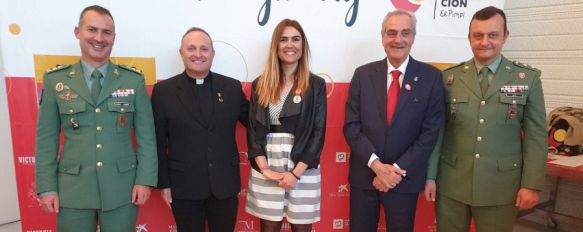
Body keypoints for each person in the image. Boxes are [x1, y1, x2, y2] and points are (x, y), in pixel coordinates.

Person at [35, 5, 158, 232]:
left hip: (122, 188)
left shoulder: (133, 80)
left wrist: (144, 180)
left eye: (107, 32)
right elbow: (46, 140)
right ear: (77, 32)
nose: (99, 38)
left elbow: (147, 137)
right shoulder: (56, 81)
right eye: (92, 30)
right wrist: (47, 188)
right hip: (73, 190)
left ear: (114, 37)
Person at [425, 6, 547, 232]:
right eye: (478, 35)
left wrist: (531, 185)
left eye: (493, 35)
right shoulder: (449, 78)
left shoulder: (526, 79)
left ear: (505, 36)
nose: (485, 42)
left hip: (500, 187)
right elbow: (438, 131)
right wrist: (430, 175)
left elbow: (536, 137)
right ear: (469, 37)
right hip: (453, 184)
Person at [344, 10, 445, 232]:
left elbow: (429, 134)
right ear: (382, 38)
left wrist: (395, 171)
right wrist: (377, 166)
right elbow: (352, 127)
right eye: (391, 33)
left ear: (413, 38)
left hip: (404, 179)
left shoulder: (432, 78)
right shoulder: (362, 75)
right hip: (366, 176)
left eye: (405, 33)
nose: (398, 40)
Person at [152, 27, 249, 232]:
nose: (198, 54)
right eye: (191, 48)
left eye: (204, 49)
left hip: (225, 186)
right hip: (184, 187)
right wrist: (164, 183)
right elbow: (158, 141)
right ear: (181, 53)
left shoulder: (231, 87)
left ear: (213, 54)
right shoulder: (163, 91)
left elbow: (255, 123)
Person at [246, 19, 327, 232]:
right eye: (283, 40)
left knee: (301, 228)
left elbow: (318, 132)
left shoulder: (316, 84)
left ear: (303, 45)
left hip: (303, 166)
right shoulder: (260, 84)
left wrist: (295, 174)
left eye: (295, 39)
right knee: (269, 226)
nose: (289, 45)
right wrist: (265, 169)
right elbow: (254, 130)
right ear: (276, 46)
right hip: (268, 164)